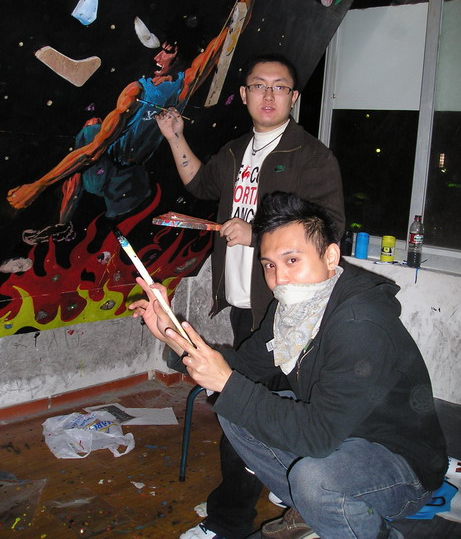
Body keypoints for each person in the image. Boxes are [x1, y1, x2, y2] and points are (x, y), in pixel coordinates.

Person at [129, 191, 448, 539]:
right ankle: (318, 513)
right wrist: (172, 335)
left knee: (314, 480)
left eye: (292, 260)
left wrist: (228, 383)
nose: (279, 278)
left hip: (401, 467)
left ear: (330, 256)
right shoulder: (292, 310)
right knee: (235, 411)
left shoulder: (361, 324)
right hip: (343, 436)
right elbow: (246, 367)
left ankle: (356, 521)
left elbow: (319, 436)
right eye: (269, 265)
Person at [156, 54, 345, 538]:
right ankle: (286, 484)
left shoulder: (312, 156)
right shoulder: (236, 151)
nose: (268, 94)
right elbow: (199, 183)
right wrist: (175, 136)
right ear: (243, 95)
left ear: (293, 97)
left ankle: (230, 521)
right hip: (246, 308)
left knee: (246, 410)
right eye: (258, 85)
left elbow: (329, 231)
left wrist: (257, 233)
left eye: (279, 86)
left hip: (289, 309)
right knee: (259, 407)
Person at [6, 0, 264, 243]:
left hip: (129, 174)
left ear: (180, 55)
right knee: (91, 132)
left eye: (167, 52)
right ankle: (61, 223)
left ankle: (75, 225)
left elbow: (228, 36)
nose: (158, 57)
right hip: (107, 160)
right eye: (160, 50)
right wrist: (37, 186)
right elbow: (93, 151)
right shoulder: (136, 91)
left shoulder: (184, 84)